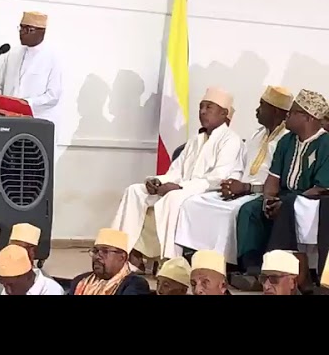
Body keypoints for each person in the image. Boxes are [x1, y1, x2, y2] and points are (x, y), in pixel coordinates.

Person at [112, 87, 243, 269]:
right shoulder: (196, 139)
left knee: (173, 198)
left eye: (209, 108)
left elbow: (218, 177)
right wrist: (158, 181)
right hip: (183, 187)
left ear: (223, 113)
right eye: (201, 107)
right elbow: (176, 170)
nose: (202, 112)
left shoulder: (231, 140)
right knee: (135, 190)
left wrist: (180, 187)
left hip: (208, 192)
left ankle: (170, 261)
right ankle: (123, 251)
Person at [175, 86, 292, 264]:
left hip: (262, 193)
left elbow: (281, 182)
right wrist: (232, 184)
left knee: (230, 212)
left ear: (275, 111)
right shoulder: (257, 135)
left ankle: (228, 263)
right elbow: (241, 167)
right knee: (195, 203)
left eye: (262, 105)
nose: (257, 110)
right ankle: (199, 256)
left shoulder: (287, 139)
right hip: (242, 190)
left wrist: (247, 187)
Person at [232, 89, 329, 291]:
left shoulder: (326, 143)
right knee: (250, 210)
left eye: (292, 112)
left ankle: (291, 276)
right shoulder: (286, 141)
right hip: (284, 197)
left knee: (288, 207)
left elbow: (320, 188)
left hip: (312, 201)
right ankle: (252, 269)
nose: (287, 115)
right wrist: (268, 199)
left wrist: (285, 202)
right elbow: (273, 179)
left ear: (307, 118)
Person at [0, 11, 63, 128]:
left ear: (41, 32)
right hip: (7, 121)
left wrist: (25, 104)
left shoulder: (52, 57)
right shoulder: (12, 54)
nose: (22, 33)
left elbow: (52, 96)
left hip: (37, 122)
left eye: (28, 29)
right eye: (21, 28)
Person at [69, 228, 150, 295]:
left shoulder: (135, 284)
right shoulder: (80, 281)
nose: (97, 256)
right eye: (95, 251)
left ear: (122, 257)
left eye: (105, 251)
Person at [0, 244, 64, 295]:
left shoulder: (51, 290)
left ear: (27, 276)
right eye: (4, 285)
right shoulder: (9, 290)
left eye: (11, 285)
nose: (8, 291)